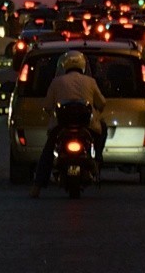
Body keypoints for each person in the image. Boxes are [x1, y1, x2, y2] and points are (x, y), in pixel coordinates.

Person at [32, 51, 105, 197]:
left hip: (61, 125)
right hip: (86, 125)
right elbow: (101, 103)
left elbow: (47, 105)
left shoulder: (57, 81)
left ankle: (37, 187)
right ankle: (97, 159)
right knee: (102, 131)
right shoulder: (90, 82)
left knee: (47, 152)